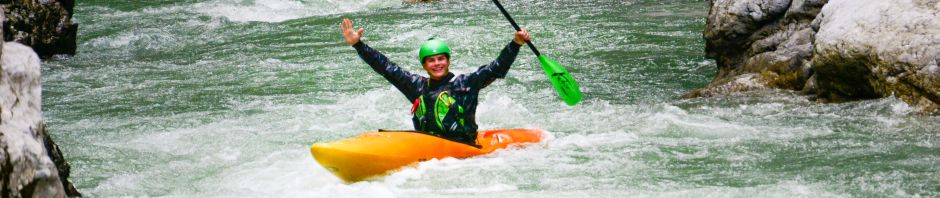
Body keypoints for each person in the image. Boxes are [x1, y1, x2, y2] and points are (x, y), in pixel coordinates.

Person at [339, 18, 531, 147]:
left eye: (441, 59)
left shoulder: (465, 83)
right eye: (431, 60)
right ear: (424, 65)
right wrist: (358, 45)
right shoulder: (416, 86)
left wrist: (515, 44)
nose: (437, 63)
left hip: (462, 147)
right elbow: (386, 67)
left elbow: (495, 68)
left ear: (448, 61)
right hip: (427, 143)